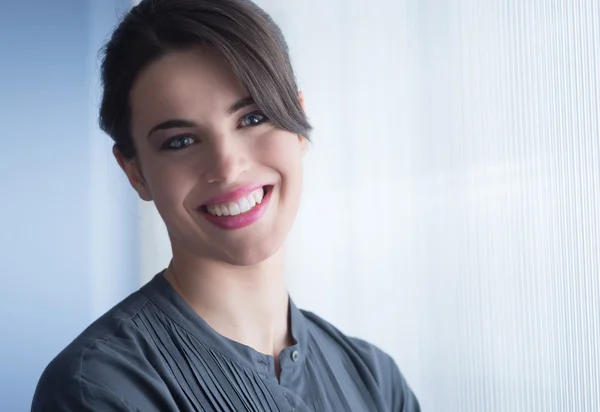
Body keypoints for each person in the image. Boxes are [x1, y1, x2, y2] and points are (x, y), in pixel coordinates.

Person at [31, 0, 420, 410]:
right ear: (135, 173)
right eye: (180, 141)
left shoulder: (374, 379)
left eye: (252, 118)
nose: (227, 166)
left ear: (299, 124)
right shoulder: (98, 388)